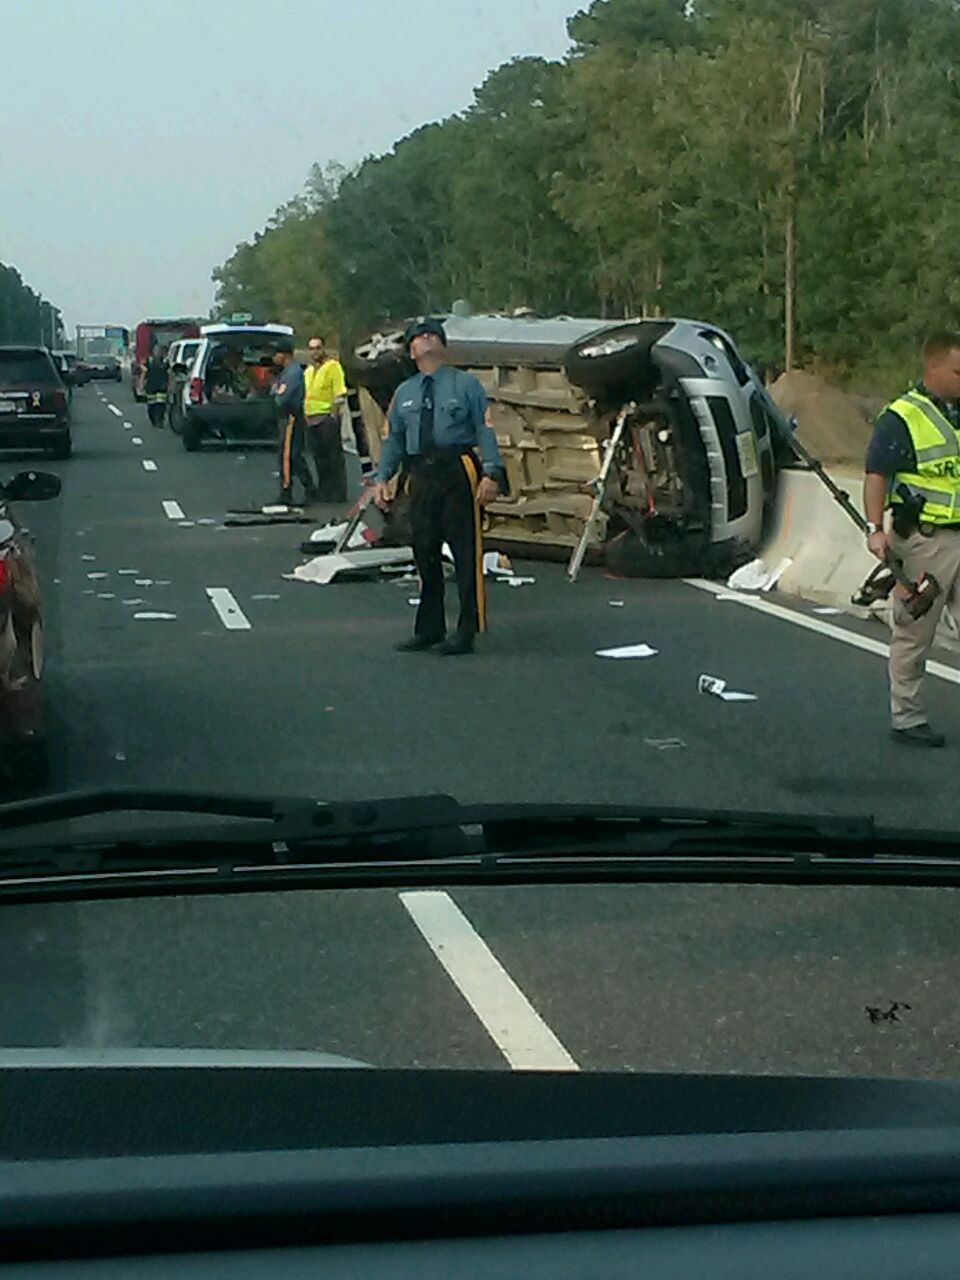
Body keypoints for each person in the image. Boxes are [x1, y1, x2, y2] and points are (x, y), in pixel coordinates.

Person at [375, 317, 504, 655]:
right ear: (411, 349)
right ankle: (429, 628)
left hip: (456, 468)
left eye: (433, 334)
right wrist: (382, 477)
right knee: (424, 549)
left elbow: (485, 429)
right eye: (419, 336)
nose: (426, 339)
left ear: (443, 345)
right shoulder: (405, 392)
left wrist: (491, 473)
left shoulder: (465, 385)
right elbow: (394, 439)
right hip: (420, 472)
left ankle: (467, 629)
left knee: (464, 551)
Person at [864, 331, 960, 747]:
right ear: (933, 367)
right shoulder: (902, 416)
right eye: (958, 370)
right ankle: (908, 717)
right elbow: (876, 474)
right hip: (925, 541)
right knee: (914, 632)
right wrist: (875, 529)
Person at [272, 339, 316, 506]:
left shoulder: (293, 373)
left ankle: (287, 491)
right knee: (292, 456)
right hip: (287, 417)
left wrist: (276, 393)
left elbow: (281, 397)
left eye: (276, 354)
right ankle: (309, 488)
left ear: (283, 355)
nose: (274, 358)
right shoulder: (286, 372)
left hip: (291, 416)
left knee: (288, 455)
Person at [303, 336, 348, 501]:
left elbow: (339, 393)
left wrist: (334, 416)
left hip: (326, 417)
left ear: (324, 349)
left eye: (317, 347)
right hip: (310, 418)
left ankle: (338, 493)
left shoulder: (333, 367)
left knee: (333, 457)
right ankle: (325, 490)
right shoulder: (308, 371)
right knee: (319, 458)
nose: (314, 351)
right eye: (311, 348)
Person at [144, 345, 168, 428]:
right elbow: (144, 372)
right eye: (156, 351)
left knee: (161, 404)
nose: (158, 353)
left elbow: (170, 373)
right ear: (153, 352)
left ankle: (160, 420)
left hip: (162, 386)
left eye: (160, 351)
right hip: (151, 386)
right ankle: (153, 419)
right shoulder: (149, 361)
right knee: (151, 405)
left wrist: (170, 384)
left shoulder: (165, 361)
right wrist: (141, 383)